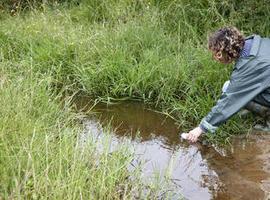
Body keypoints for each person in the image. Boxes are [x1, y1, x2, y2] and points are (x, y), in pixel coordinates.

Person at [186, 26, 270, 143]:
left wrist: (201, 128)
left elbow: (229, 100)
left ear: (228, 51)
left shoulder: (249, 67)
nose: (215, 58)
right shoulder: (258, 43)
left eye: (218, 54)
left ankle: (267, 124)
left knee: (227, 88)